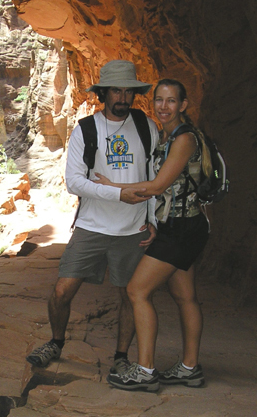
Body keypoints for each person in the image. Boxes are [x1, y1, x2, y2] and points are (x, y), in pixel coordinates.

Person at [26, 59, 159, 375]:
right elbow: (75, 182)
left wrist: (153, 219)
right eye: (116, 90)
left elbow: (155, 177)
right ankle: (56, 343)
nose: (123, 98)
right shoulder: (85, 130)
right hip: (92, 226)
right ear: (103, 92)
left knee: (129, 295)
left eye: (128, 91)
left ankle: (121, 357)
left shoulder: (146, 127)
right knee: (62, 290)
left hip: (132, 228)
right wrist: (118, 194)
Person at [98, 79, 211, 392]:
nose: (163, 106)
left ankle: (146, 370)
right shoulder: (168, 135)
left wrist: (112, 187)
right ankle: (190, 368)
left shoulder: (184, 138)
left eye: (171, 101)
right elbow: (162, 189)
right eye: (159, 100)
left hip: (181, 229)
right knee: (185, 296)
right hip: (180, 225)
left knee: (137, 290)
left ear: (183, 105)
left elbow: (158, 186)